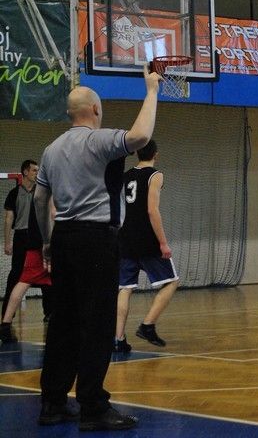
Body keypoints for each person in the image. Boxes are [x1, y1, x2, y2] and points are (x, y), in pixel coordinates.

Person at [33, 65, 161, 430]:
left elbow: (40, 200)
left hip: (63, 238)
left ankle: (52, 403)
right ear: (95, 110)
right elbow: (140, 136)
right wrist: (151, 91)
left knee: (63, 323)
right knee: (98, 324)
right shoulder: (99, 140)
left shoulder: (51, 149)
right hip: (96, 240)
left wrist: (46, 241)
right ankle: (93, 407)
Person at [114, 139, 179, 353]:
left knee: (125, 288)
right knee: (171, 282)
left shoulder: (126, 176)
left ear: (136, 153)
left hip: (125, 236)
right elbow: (152, 210)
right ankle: (147, 325)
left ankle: (118, 338)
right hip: (146, 237)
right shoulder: (155, 175)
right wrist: (163, 242)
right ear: (156, 154)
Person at [2, 159, 52, 322]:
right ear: (25, 172)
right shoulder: (14, 193)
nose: (37, 173)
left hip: (39, 237)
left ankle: (49, 312)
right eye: (34, 170)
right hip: (21, 237)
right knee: (16, 275)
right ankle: (7, 314)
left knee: (45, 274)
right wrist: (7, 242)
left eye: (38, 170)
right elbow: (9, 218)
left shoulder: (41, 192)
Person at [0, 200, 53, 343]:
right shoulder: (50, 191)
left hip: (34, 241)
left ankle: (5, 325)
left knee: (24, 280)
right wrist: (48, 242)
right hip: (46, 243)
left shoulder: (37, 193)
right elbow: (52, 213)